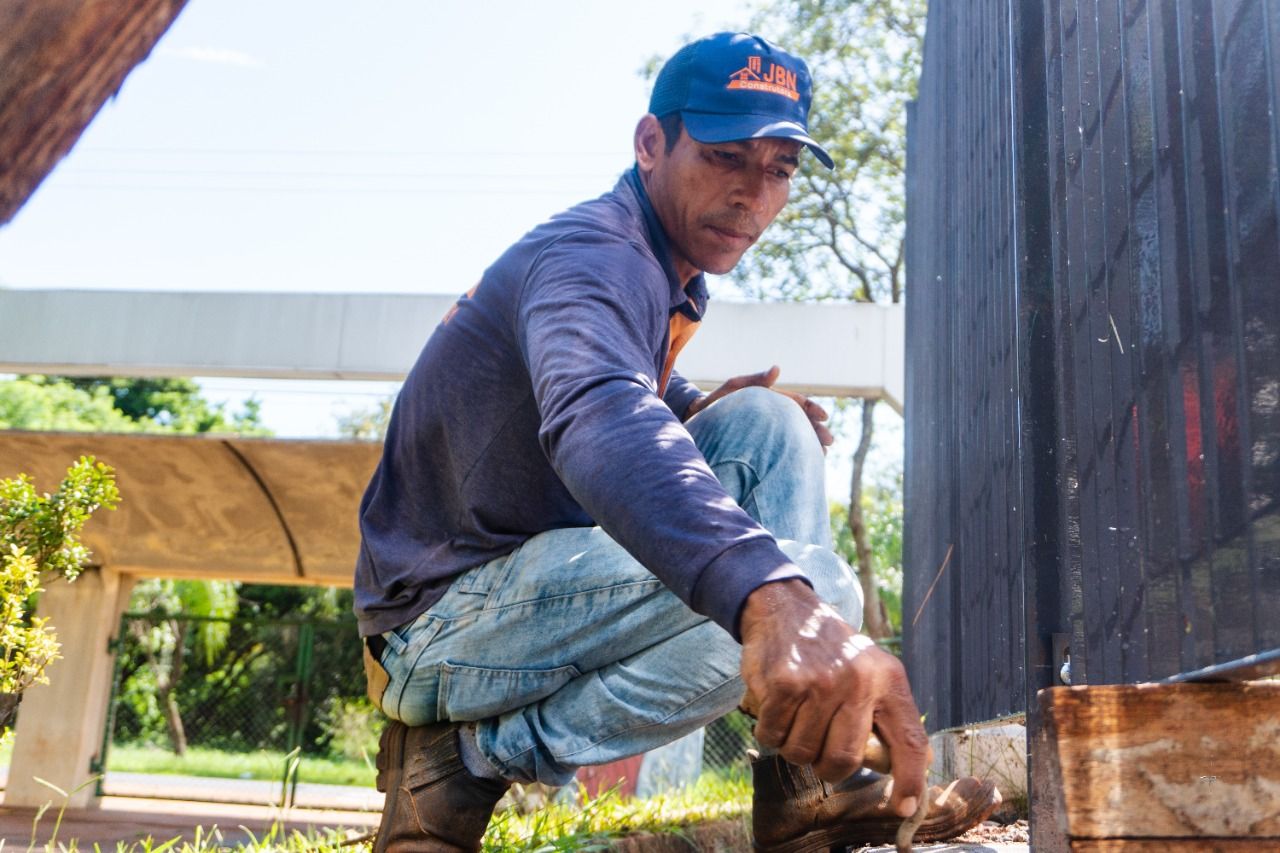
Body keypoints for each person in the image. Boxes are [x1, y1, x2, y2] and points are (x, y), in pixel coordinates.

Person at [354, 32, 999, 852]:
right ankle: (458, 762)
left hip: (525, 585)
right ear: (650, 144)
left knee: (771, 425)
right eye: (728, 156)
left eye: (781, 169)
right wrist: (775, 598)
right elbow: (594, 413)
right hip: (438, 621)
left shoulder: (661, 266)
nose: (755, 195)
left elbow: (595, 386)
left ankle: (805, 790)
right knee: (811, 586)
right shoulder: (593, 254)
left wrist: (694, 400)